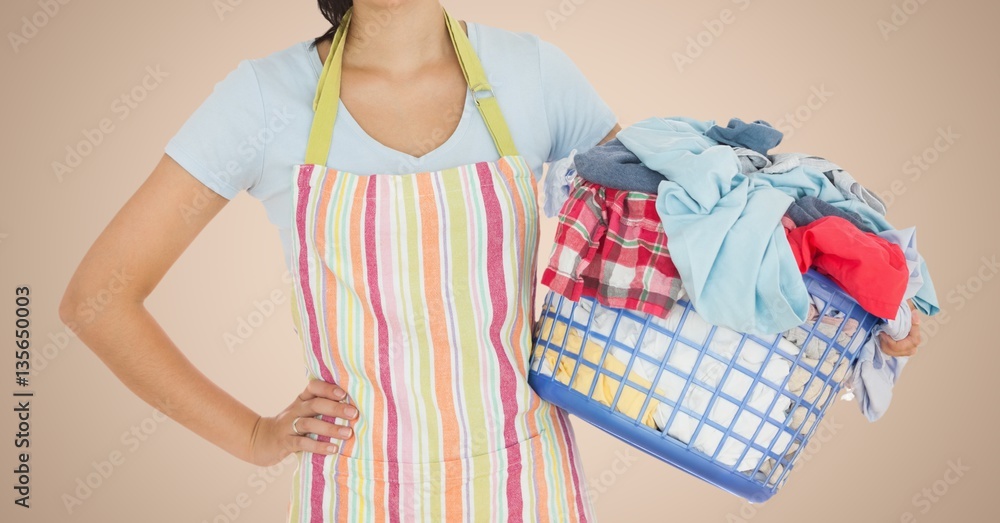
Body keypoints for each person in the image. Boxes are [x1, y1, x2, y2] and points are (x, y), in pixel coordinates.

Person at [59, 1, 924, 521]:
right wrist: (253, 436)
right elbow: (99, 298)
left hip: (529, 484)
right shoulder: (262, 101)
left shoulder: (533, 76)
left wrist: (851, 304)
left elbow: (671, 254)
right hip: (362, 495)